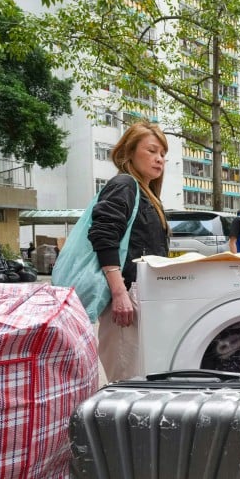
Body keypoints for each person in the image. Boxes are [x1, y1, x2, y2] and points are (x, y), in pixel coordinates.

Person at [88, 121, 169, 381]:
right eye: (152, 151)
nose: (159, 159)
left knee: (144, 381)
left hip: (143, 296)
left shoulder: (148, 194)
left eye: (163, 154)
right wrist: (119, 292)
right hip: (126, 299)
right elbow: (103, 236)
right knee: (128, 383)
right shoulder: (125, 184)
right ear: (129, 152)